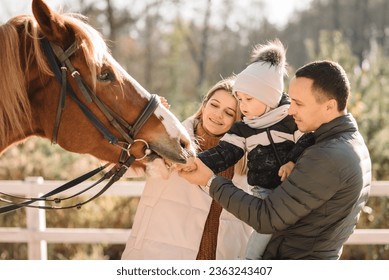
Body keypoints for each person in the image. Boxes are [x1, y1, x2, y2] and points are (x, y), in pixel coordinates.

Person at [179, 60, 372, 260]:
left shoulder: (327, 155)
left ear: (329, 106)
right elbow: (224, 152)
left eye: (298, 103)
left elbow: (267, 218)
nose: (290, 110)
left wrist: (210, 181)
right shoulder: (347, 143)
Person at [182, 39, 314, 259]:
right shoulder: (243, 129)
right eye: (240, 99)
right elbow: (224, 153)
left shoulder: (290, 120)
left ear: (268, 97)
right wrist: (197, 162)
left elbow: (307, 140)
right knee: (257, 245)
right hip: (263, 195)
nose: (242, 106)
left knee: (289, 244)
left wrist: (292, 161)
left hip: (292, 191)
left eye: (248, 99)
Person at [121, 77, 252, 260]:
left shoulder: (244, 161)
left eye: (229, 112)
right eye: (214, 105)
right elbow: (122, 166)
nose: (218, 115)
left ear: (237, 120)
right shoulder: (168, 142)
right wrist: (145, 124)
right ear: (204, 105)